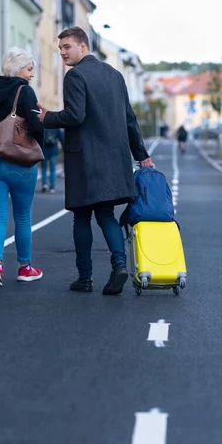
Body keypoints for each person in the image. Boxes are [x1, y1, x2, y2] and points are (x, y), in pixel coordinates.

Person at [38, 26, 153, 295]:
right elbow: (129, 118)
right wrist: (142, 155)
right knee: (105, 214)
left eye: (67, 47)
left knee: (81, 217)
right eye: (60, 49)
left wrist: (48, 118)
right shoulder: (115, 76)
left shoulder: (75, 75)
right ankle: (119, 264)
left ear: (83, 46)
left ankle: (85, 277)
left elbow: (75, 116)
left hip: (85, 161)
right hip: (114, 159)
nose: (63, 53)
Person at [0, 47, 44, 287]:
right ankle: (25, 267)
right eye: (29, 68)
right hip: (20, 164)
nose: (32, 74)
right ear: (17, 68)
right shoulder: (25, 91)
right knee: (22, 217)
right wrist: (35, 145)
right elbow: (36, 125)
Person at [41, 129, 64, 193]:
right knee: (53, 169)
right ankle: (52, 186)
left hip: (44, 150)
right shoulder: (56, 127)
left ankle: (44, 184)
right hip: (53, 150)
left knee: (44, 168)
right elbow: (61, 138)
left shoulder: (43, 126)